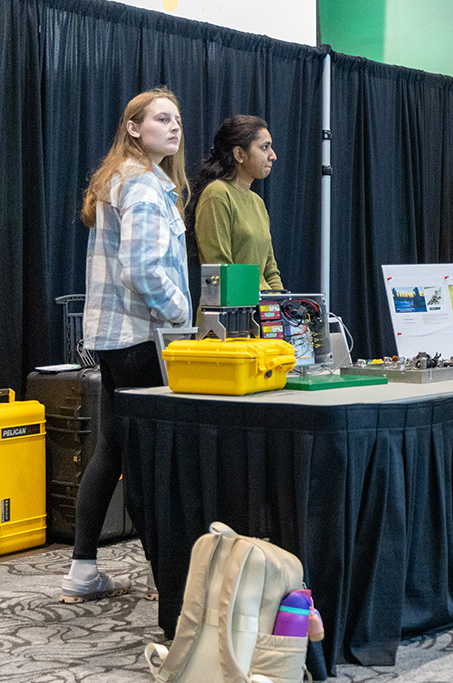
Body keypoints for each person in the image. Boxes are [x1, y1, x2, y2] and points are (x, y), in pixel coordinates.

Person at [61, 87, 192, 603]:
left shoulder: (123, 177)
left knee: (114, 447)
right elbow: (141, 268)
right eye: (163, 118)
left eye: (178, 119)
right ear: (134, 128)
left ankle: (82, 570)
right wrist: (180, 313)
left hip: (114, 338)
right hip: (141, 337)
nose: (175, 126)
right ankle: (171, 582)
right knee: (148, 458)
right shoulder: (142, 186)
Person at [187, 115, 283, 291]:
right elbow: (220, 268)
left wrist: (278, 308)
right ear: (239, 154)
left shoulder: (258, 202)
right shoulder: (217, 194)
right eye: (264, 148)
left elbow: (271, 271)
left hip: (261, 309)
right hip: (232, 312)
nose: (273, 156)